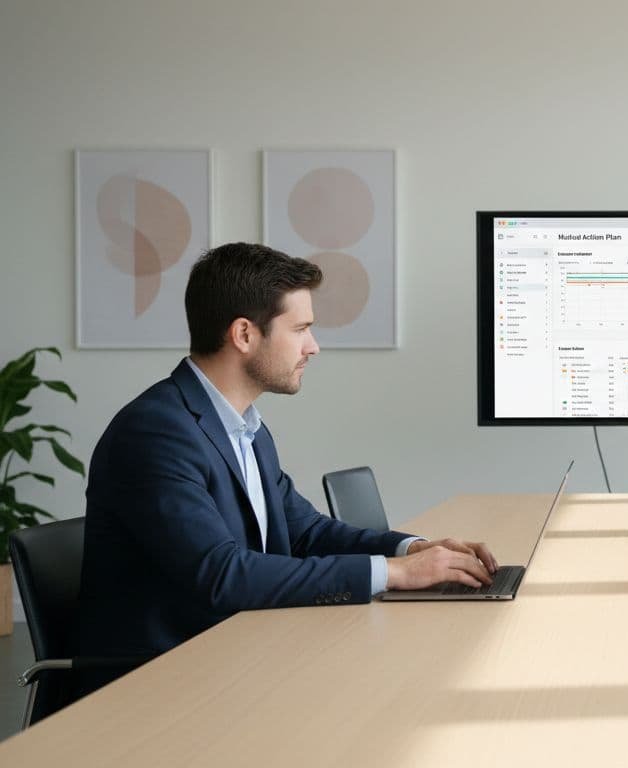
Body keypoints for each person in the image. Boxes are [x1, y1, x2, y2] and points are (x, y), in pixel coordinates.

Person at [79, 242, 498, 665]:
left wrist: (410, 551)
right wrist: (395, 575)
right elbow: (222, 575)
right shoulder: (157, 432)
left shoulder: (247, 429)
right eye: (300, 329)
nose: (312, 347)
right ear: (244, 334)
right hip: (161, 680)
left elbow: (305, 534)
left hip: (240, 652)